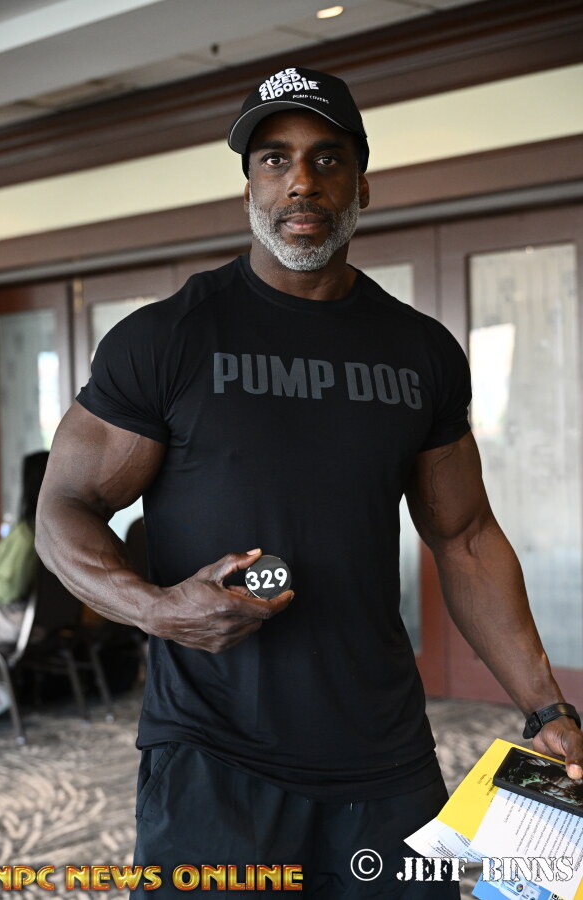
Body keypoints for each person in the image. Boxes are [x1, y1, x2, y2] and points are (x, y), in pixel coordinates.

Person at [35, 67, 583, 898]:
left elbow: (465, 538)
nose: (301, 181)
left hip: (384, 756)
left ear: (362, 184)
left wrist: (546, 708)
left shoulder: (420, 352)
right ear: (248, 188)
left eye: (328, 159)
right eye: (274, 159)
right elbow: (63, 507)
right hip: (215, 755)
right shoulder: (166, 340)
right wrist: (157, 609)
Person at [0, 450, 49, 646]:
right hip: (42, 621)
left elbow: (6, 591)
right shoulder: (52, 533)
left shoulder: (26, 535)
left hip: (10, 620)